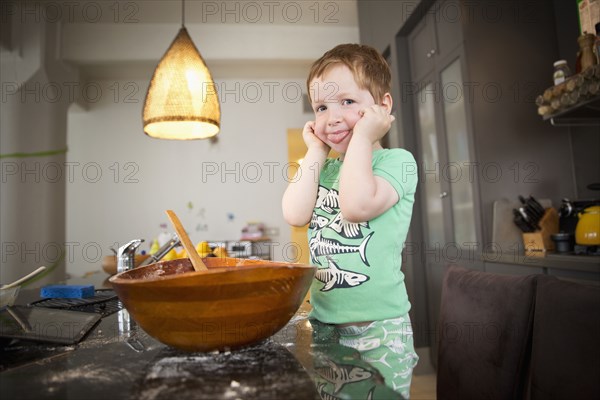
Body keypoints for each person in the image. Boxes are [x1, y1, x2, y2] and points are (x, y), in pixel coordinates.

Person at [282, 43, 419, 398]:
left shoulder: (398, 163)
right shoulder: (324, 168)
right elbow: (295, 214)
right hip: (327, 327)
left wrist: (362, 136)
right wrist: (315, 151)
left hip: (381, 330)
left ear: (382, 107)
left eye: (347, 102)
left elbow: (356, 206)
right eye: (321, 107)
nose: (332, 117)